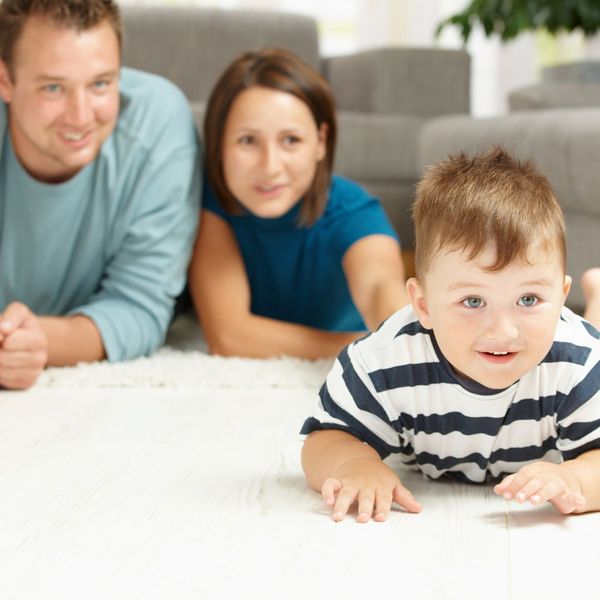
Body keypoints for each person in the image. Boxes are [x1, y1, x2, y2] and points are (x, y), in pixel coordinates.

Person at [301, 147, 600, 522]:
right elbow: (324, 440)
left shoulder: (581, 363)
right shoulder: (383, 362)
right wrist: (353, 464)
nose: (503, 330)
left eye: (529, 298)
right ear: (423, 306)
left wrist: (572, 477)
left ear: (560, 297)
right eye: (473, 301)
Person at [0, 0, 200, 390]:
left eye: (100, 84)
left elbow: (139, 306)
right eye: (53, 87)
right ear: (5, 80)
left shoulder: (159, 123)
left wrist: (40, 342)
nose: (80, 116)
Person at [188, 48, 408, 360]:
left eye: (291, 140)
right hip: (351, 342)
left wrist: (398, 341)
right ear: (220, 144)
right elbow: (229, 336)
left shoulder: (355, 212)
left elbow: (380, 292)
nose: (270, 167)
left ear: (320, 141)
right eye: (247, 141)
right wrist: (367, 348)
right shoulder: (212, 203)